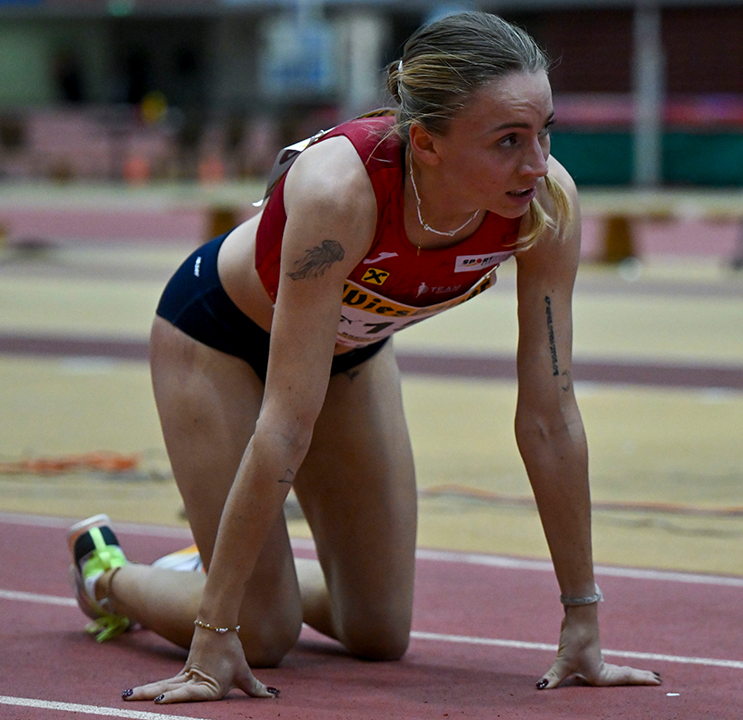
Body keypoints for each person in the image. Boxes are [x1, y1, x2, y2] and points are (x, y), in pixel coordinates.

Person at [66, 10, 662, 704]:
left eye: (544, 131)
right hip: (217, 341)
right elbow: (286, 421)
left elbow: (550, 416)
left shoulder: (544, 204)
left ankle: (225, 568)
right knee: (258, 633)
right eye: (508, 140)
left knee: (378, 629)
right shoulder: (339, 194)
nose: (537, 163)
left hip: (350, 351)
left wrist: (581, 621)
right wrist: (211, 631)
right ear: (429, 145)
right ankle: (106, 573)